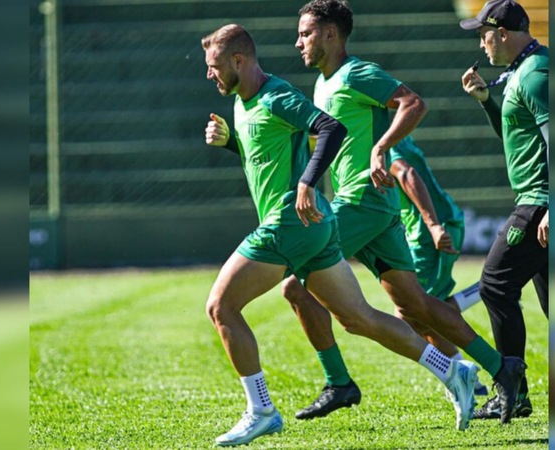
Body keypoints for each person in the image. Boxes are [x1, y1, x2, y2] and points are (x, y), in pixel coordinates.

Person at [201, 23, 481, 446]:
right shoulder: (243, 103)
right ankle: (452, 370)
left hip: (289, 223)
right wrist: (230, 142)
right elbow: (267, 152)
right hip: (313, 227)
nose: (210, 74)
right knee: (358, 318)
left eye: (214, 66)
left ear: (238, 61)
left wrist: (307, 182)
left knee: (221, 306)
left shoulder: (277, 96)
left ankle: (261, 410)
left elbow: (331, 128)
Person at [283, 0, 525, 425]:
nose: (298, 42)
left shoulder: (355, 73)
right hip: (376, 209)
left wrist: (381, 148)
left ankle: (338, 381)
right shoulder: (324, 84)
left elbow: (414, 103)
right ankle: (500, 367)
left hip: (361, 202)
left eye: (305, 33)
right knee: (416, 307)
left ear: (330, 34)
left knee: (295, 286)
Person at [459, 0, 549, 420]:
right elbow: (516, 133)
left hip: (540, 203)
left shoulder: (535, 74)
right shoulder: (522, 70)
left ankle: (512, 390)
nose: (481, 43)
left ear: (502, 33)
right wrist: (485, 100)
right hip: (538, 202)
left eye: (483, 35)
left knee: (495, 285)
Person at [388, 136, 488, 396]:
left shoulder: (383, 143)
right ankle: (466, 378)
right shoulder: (401, 138)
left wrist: (432, 225)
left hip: (429, 233)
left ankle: (486, 289)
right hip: (439, 225)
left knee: (411, 314)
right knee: (425, 315)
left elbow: (407, 174)